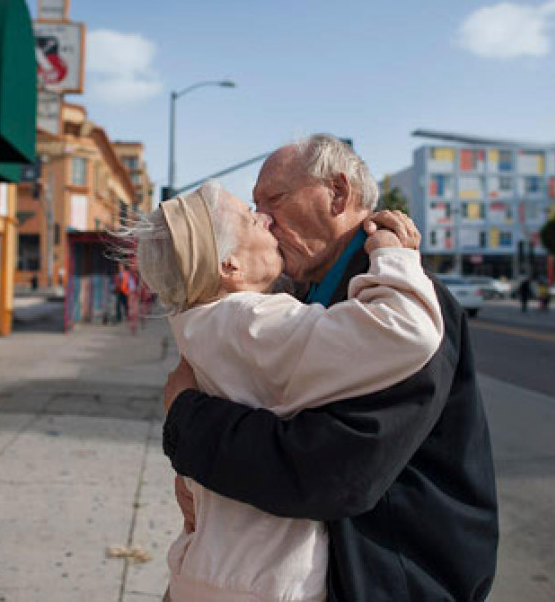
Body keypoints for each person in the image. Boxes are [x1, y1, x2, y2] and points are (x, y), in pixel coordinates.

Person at [162, 135, 499, 601]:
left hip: (397, 578)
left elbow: (327, 472)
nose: (264, 219)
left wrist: (184, 418)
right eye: (254, 207)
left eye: (273, 200)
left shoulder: (407, 304)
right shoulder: (304, 296)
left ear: (338, 194)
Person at [131, 180, 441, 601]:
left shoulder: (202, 323)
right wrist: (393, 254)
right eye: (250, 215)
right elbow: (407, 329)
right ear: (229, 266)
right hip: (262, 583)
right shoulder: (251, 321)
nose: (266, 219)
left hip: (213, 568)